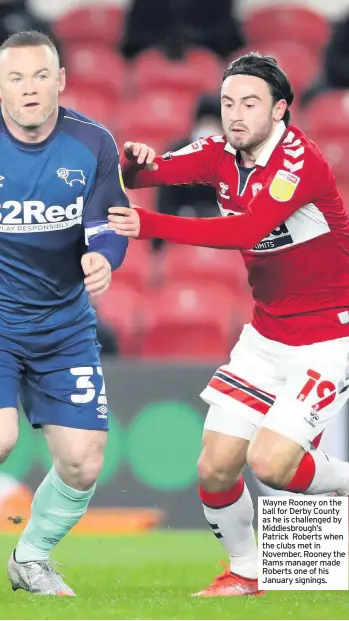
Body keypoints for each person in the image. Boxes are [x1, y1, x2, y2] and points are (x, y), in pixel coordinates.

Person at [109, 53, 349, 597]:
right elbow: (146, 175)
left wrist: (145, 225)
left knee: (272, 464)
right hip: (266, 336)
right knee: (215, 467)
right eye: (227, 103)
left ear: (281, 109)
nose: (235, 115)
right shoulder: (220, 152)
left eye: (250, 103)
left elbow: (247, 230)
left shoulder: (299, 163)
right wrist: (135, 162)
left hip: (329, 338)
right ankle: (246, 571)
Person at [0, 30, 129, 596]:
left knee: (84, 462)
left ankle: (30, 558)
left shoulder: (93, 142)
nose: (31, 88)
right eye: (17, 78)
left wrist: (103, 256)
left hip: (63, 324)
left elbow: (110, 219)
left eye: (42, 75)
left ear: (61, 80)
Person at [153, 94, 222, 251]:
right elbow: (164, 211)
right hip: (178, 241)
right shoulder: (175, 155)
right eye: (205, 123)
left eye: (215, 124)